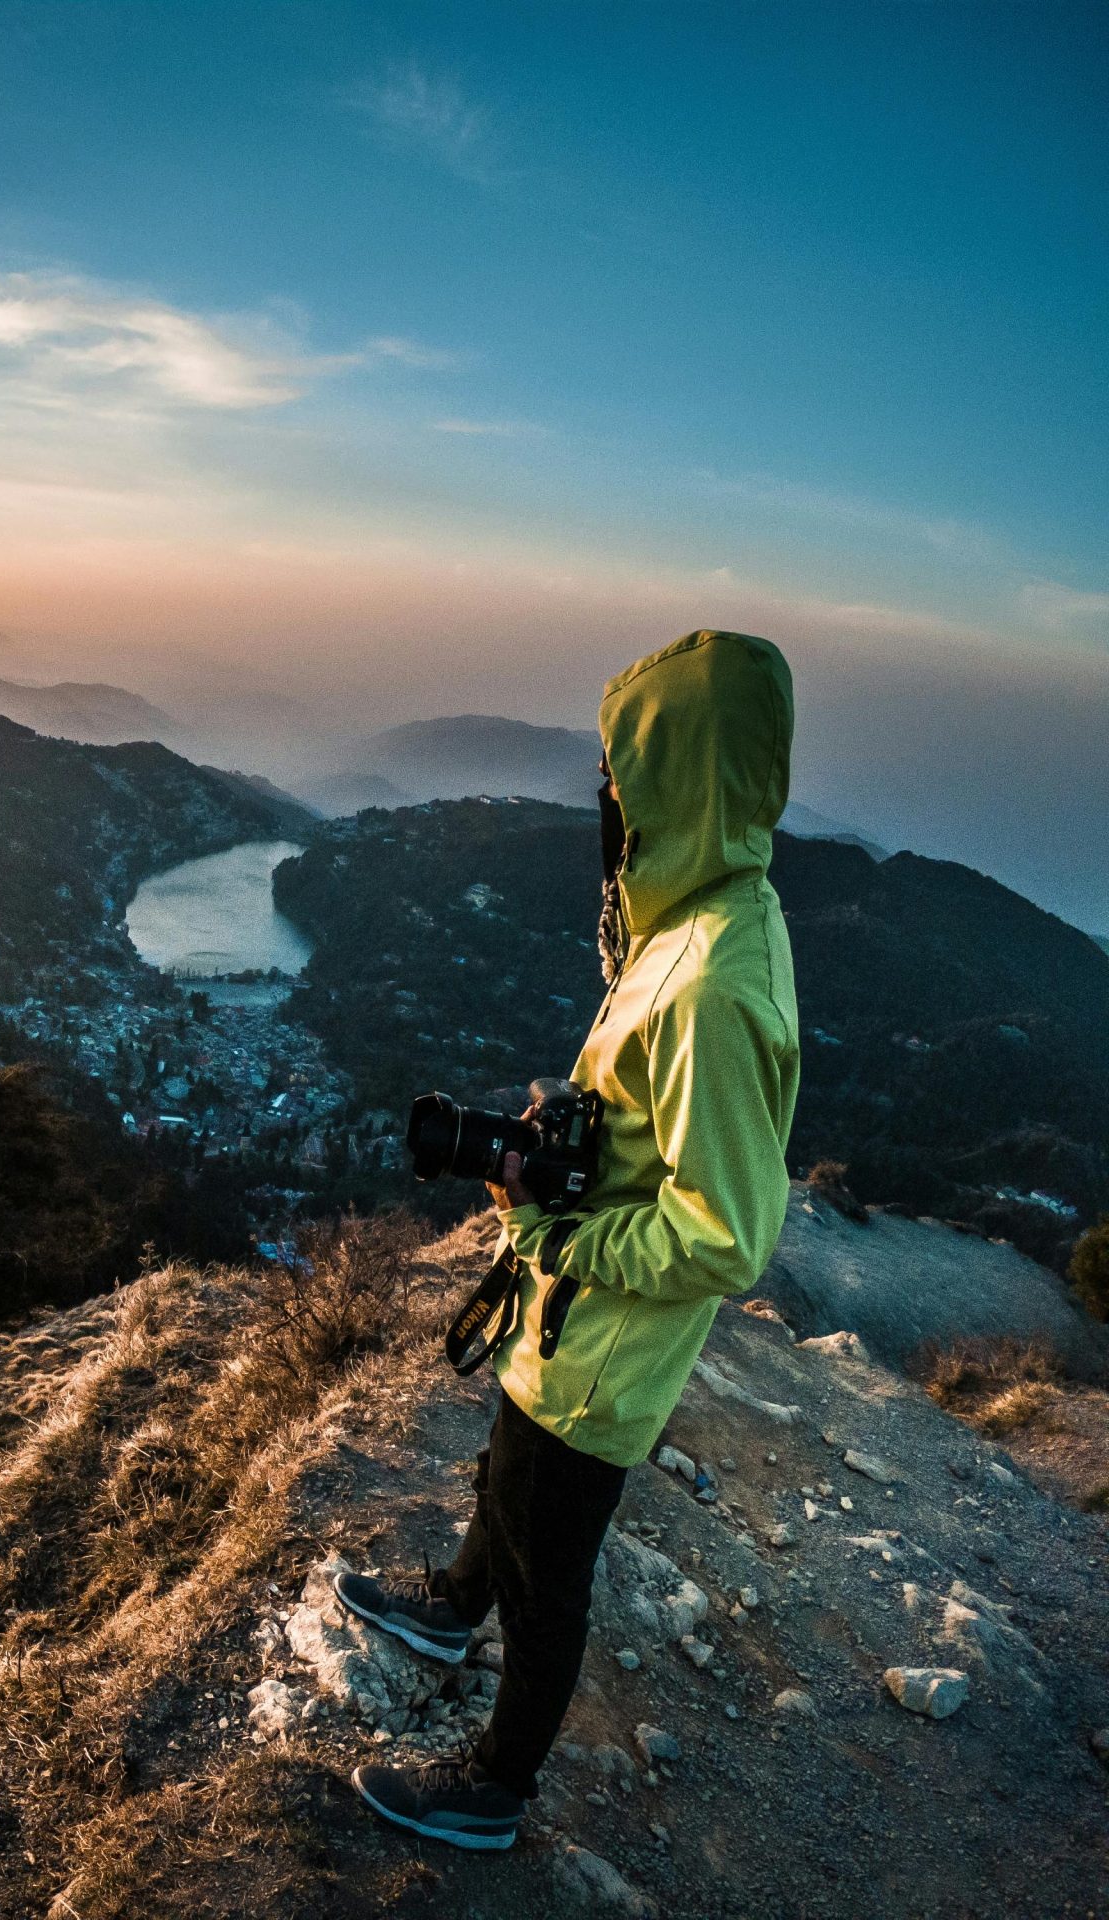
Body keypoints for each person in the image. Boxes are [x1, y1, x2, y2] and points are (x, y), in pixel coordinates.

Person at [339, 629, 803, 1851]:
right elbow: (656, 1125)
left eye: (625, 773)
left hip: (608, 1347)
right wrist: (569, 1149)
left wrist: (560, 1231)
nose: (606, 797)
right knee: (504, 1473)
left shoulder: (714, 983)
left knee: (548, 1575)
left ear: (680, 780)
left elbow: (725, 1236)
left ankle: (494, 1787)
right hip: (572, 1319)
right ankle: (446, 1605)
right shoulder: (708, 909)